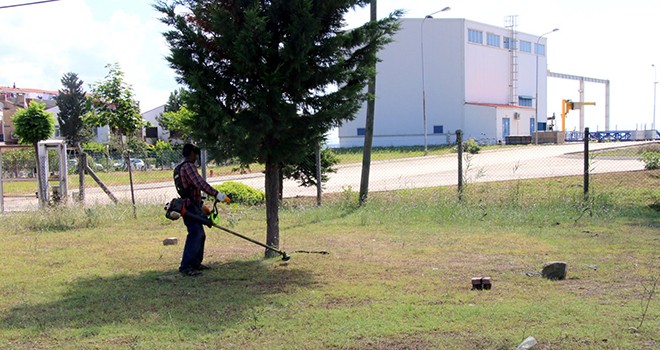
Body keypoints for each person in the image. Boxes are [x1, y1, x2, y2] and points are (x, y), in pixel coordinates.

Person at [175, 143, 228, 276]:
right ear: (192, 153)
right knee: (195, 234)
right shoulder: (188, 167)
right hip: (190, 207)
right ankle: (186, 267)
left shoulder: (180, 167)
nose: (197, 157)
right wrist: (217, 194)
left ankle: (196, 263)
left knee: (200, 234)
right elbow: (200, 183)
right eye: (196, 154)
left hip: (193, 205)